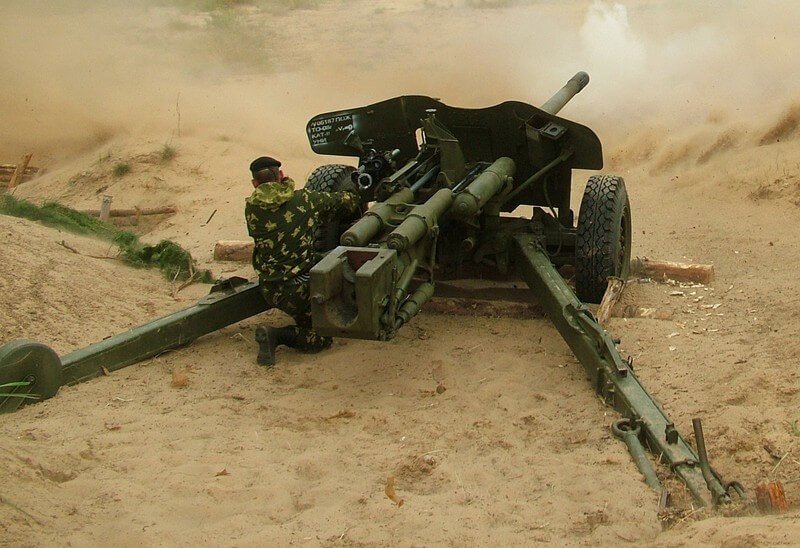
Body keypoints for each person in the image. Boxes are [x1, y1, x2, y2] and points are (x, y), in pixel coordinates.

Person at [245, 156, 359, 366]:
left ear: (254, 183)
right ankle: (276, 335)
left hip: (268, 287)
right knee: (320, 338)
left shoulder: (251, 208)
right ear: (281, 175)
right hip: (298, 290)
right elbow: (347, 203)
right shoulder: (303, 200)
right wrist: (357, 185)